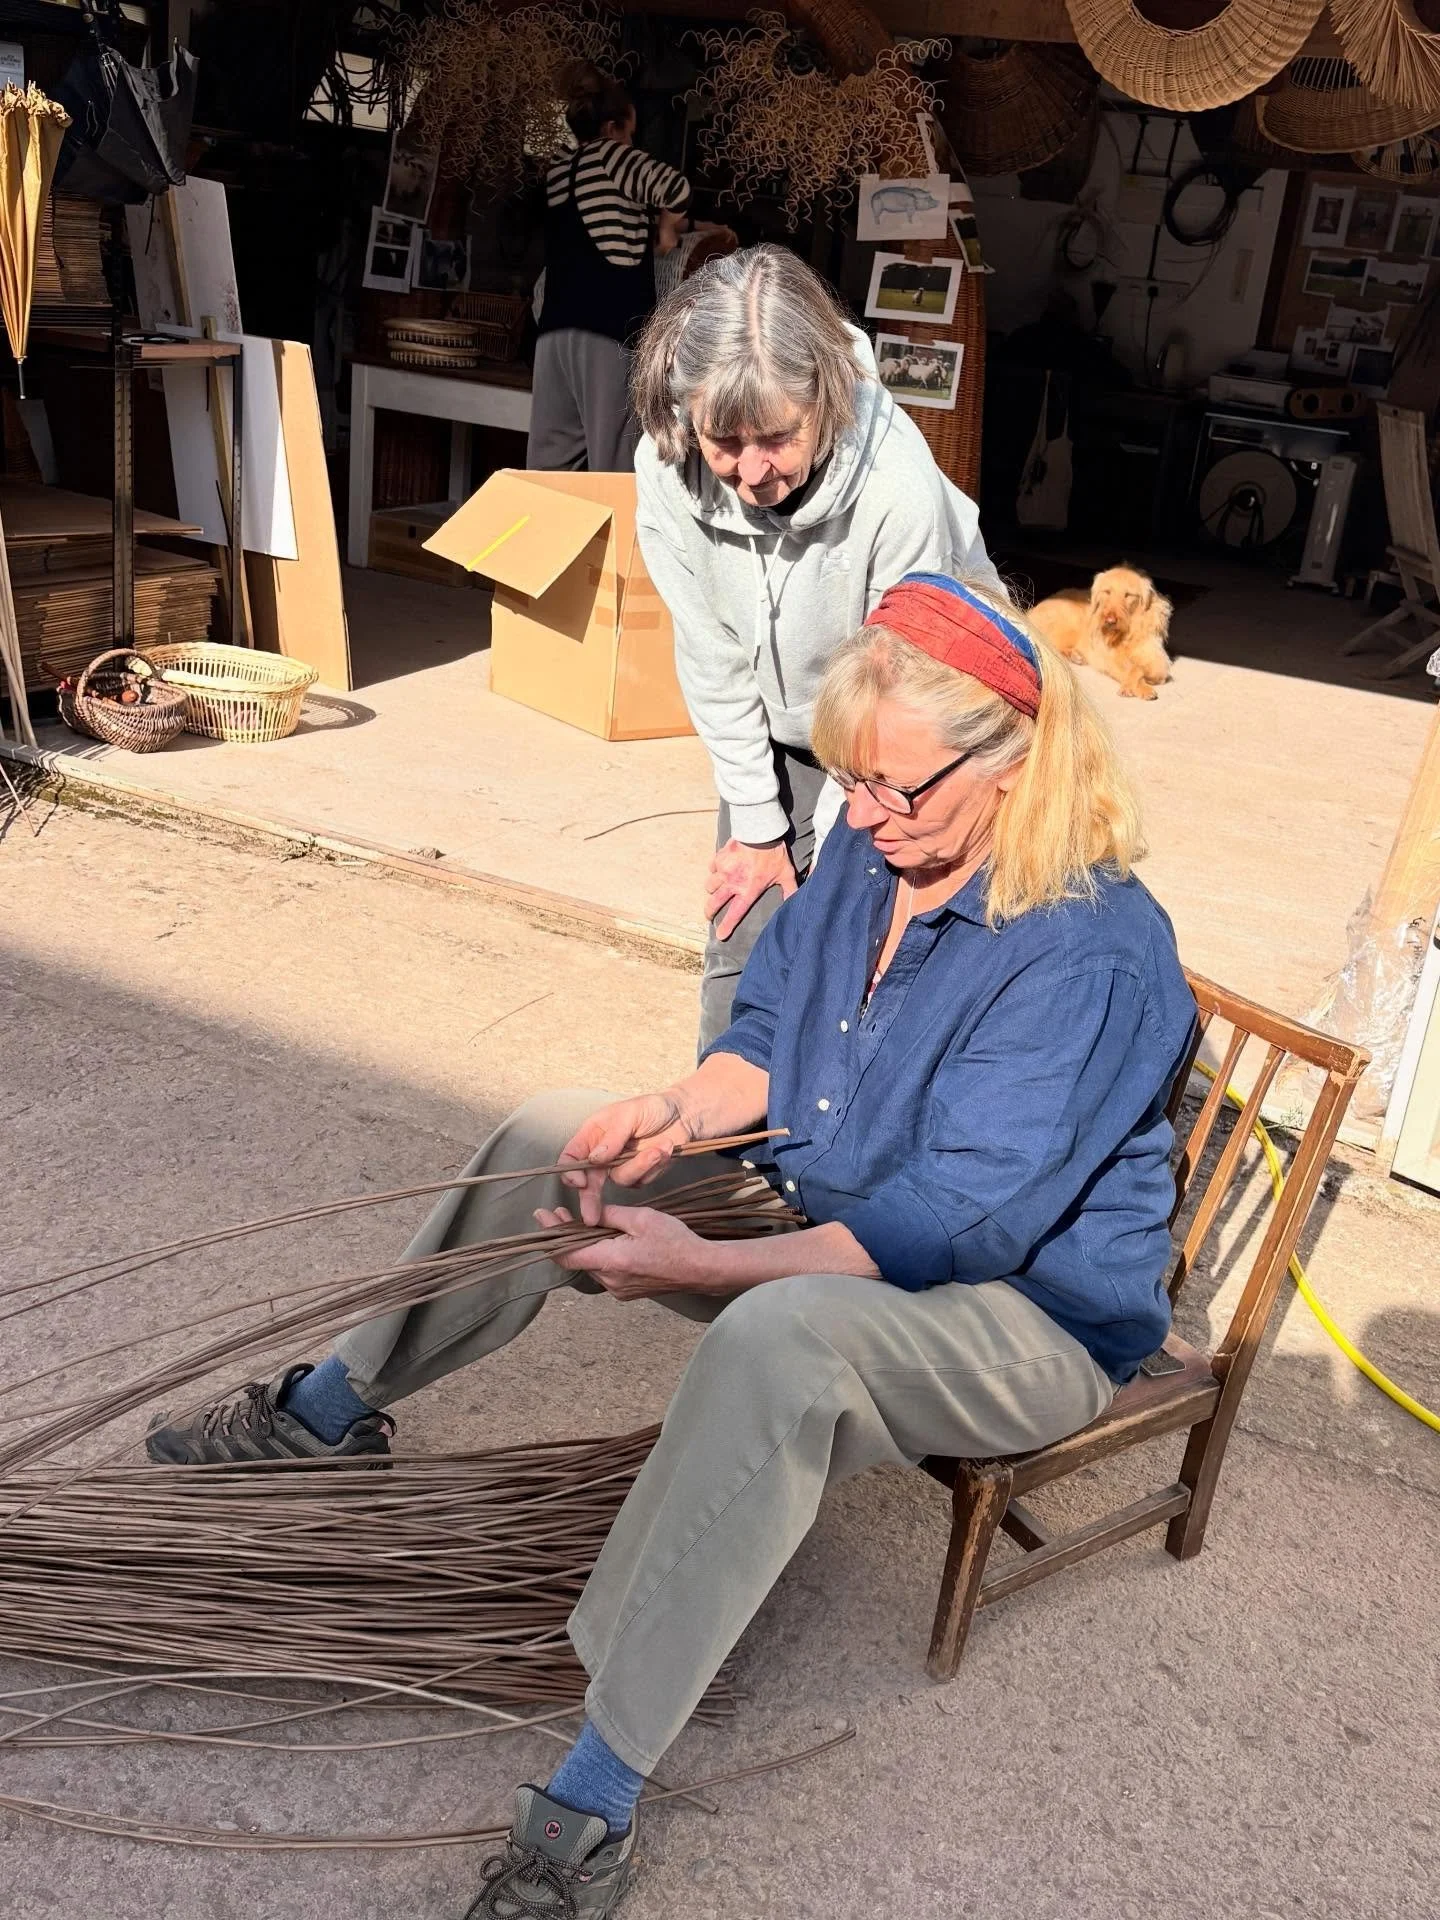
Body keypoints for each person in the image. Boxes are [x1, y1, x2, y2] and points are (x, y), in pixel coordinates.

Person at [146, 574, 1198, 1918]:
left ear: (1012, 762)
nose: (862, 817)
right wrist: (676, 1112)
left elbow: (948, 1224)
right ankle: (328, 1410)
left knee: (778, 1340)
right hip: (836, 1202)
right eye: (849, 782)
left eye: (896, 790)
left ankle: (597, 1787)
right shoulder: (877, 848)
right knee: (558, 1134)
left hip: (1022, 1312)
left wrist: (695, 1265)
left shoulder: (1088, 950)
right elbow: (771, 1038)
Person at [630, 244, 1004, 1051]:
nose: (751, 471)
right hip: (785, 709)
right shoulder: (666, 469)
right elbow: (712, 655)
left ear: (824, 401)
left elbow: (891, 696)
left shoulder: (897, 489)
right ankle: (726, 1115)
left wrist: (839, 857)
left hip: (913, 714)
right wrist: (759, 829)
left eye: (776, 437)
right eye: (723, 441)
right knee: (745, 926)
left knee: (864, 939)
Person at [526, 61, 691, 474]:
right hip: (606, 332)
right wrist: (666, 229)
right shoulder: (614, 156)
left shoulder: (560, 167)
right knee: (615, 465)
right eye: (630, 133)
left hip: (555, 334)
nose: (632, 143)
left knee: (551, 467)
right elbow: (677, 188)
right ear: (613, 127)